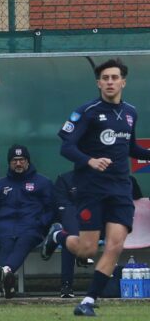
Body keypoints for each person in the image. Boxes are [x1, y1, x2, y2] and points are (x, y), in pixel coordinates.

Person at [41, 58, 150, 316]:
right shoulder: (87, 111)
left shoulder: (131, 112)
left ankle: (88, 300)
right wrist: (89, 160)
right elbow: (66, 147)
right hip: (91, 187)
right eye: (105, 78)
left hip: (121, 188)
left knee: (115, 245)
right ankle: (58, 235)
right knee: (87, 248)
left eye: (114, 78)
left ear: (123, 81)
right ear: (98, 83)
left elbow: (130, 148)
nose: (110, 82)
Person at [54, 171, 143, 298]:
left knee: (107, 237)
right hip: (79, 225)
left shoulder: (119, 178)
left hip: (105, 226)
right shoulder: (68, 179)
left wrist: (122, 180)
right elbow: (64, 208)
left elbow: (136, 196)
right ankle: (67, 286)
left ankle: (95, 294)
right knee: (72, 235)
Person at [0, 144, 54, 299]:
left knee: (24, 240)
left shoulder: (43, 182)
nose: (18, 163)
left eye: (22, 159)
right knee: (7, 243)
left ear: (28, 161)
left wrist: (40, 223)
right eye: (15, 160)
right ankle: (7, 282)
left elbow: (51, 210)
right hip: (5, 228)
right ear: (9, 163)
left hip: (31, 228)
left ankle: (4, 272)